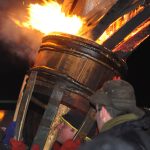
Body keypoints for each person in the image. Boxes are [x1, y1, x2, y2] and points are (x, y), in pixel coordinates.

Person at [79, 79, 150, 150]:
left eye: (97, 111)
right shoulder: (146, 139)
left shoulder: (101, 145)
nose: (96, 117)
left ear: (103, 112)